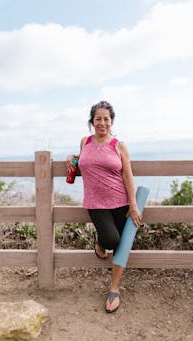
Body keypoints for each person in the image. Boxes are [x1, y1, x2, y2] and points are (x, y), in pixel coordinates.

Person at [66, 100, 142, 313]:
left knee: (121, 246)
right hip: (96, 202)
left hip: (120, 201)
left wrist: (133, 205)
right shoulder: (85, 142)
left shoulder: (118, 145)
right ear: (92, 121)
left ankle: (114, 289)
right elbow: (87, 160)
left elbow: (127, 175)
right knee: (111, 239)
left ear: (111, 122)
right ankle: (100, 243)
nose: (102, 123)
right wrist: (74, 157)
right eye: (98, 119)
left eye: (106, 119)